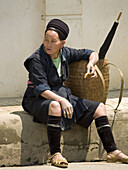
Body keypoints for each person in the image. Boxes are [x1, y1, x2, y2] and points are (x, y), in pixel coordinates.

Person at [22, 19, 128, 168]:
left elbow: (92, 53)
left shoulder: (66, 53)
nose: (48, 44)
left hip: (61, 95)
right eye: (46, 40)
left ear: (62, 43)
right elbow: (41, 89)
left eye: (53, 41)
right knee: (55, 106)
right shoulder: (37, 60)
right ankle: (55, 154)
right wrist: (63, 101)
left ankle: (112, 151)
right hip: (37, 98)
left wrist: (91, 63)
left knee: (100, 108)